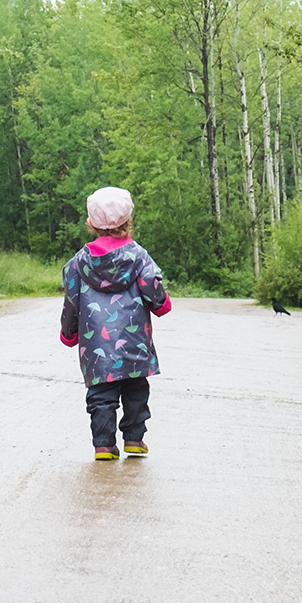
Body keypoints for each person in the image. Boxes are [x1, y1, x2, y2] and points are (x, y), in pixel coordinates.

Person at [59, 186, 171, 460]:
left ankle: (103, 445)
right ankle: (134, 439)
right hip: (133, 343)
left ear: (91, 223)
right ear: (128, 220)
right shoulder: (139, 256)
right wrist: (161, 303)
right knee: (136, 390)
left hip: (96, 344)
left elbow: (71, 300)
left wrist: (69, 332)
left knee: (101, 396)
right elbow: (150, 285)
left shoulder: (78, 263)